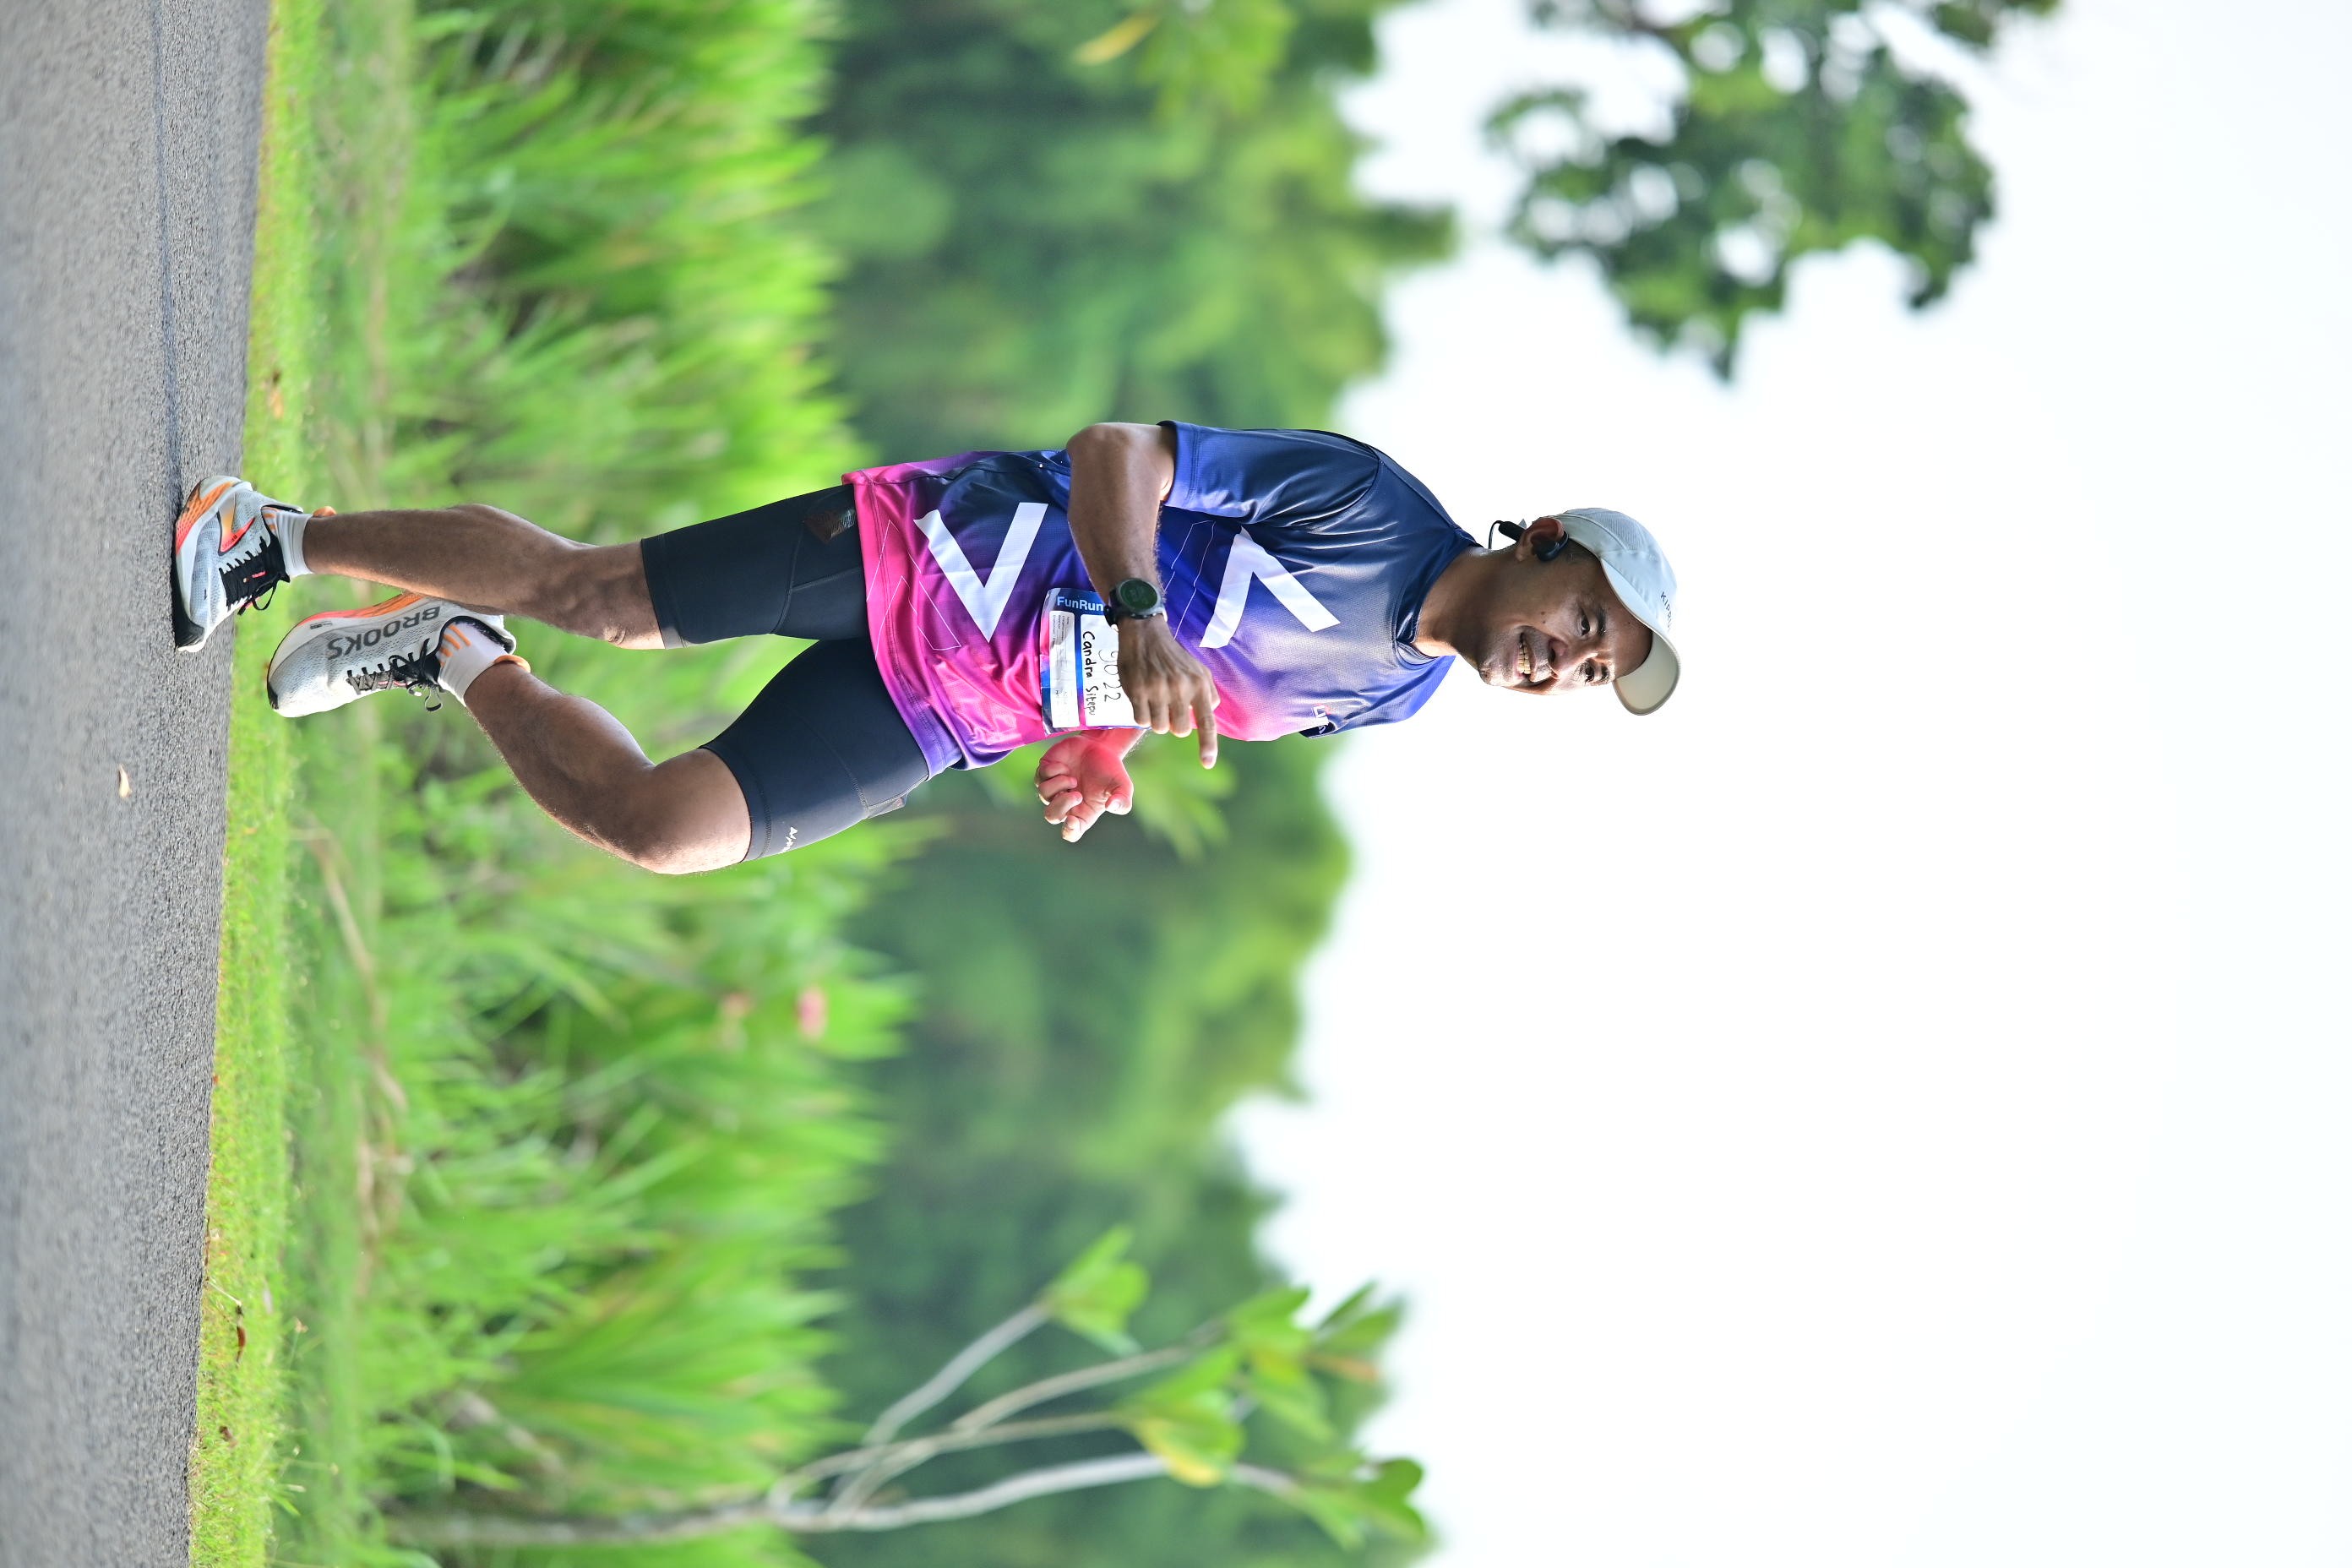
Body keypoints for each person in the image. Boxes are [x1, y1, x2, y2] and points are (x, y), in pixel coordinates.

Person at [170, 422, 1680, 872]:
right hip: (939, 550)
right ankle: (273, 535)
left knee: (666, 830)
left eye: (1595, 670)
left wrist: (1100, 747)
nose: (1569, 663)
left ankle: (448, 653)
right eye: (1585, 624)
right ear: (1543, 539)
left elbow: (1180, 688)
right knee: (602, 596)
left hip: (956, 710)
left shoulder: (1394, 698)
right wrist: (1138, 617)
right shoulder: (1365, 503)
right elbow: (1118, 455)